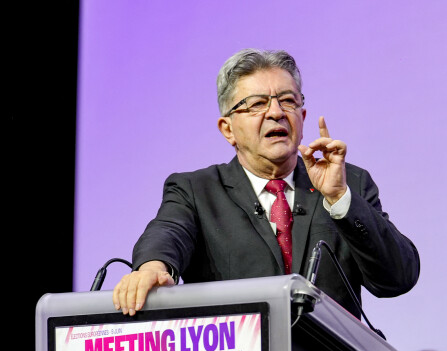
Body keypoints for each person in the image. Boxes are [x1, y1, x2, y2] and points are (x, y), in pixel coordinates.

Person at [112, 48, 420, 319]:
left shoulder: (348, 183)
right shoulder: (196, 191)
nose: (276, 113)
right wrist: (153, 267)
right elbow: (169, 231)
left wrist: (340, 198)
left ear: (302, 116)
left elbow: (398, 277)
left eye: (288, 101)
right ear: (228, 129)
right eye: (257, 104)